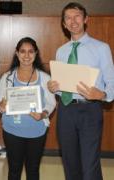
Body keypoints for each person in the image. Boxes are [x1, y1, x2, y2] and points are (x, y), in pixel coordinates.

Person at [47, 2, 114, 180]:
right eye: (68, 18)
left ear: (85, 19)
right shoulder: (61, 51)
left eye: (77, 16)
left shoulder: (101, 48)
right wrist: (54, 88)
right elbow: (62, 86)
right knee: (70, 163)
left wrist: (103, 94)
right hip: (66, 110)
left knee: (89, 165)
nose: (73, 21)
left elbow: (111, 82)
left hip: (90, 110)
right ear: (63, 23)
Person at [0, 37, 56, 180]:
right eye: (22, 51)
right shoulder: (7, 77)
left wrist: (43, 114)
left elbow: (51, 102)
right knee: (14, 171)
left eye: (30, 52)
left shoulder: (45, 77)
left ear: (36, 54)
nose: (26, 56)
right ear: (17, 54)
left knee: (33, 171)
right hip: (12, 130)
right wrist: (1, 106)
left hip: (36, 131)